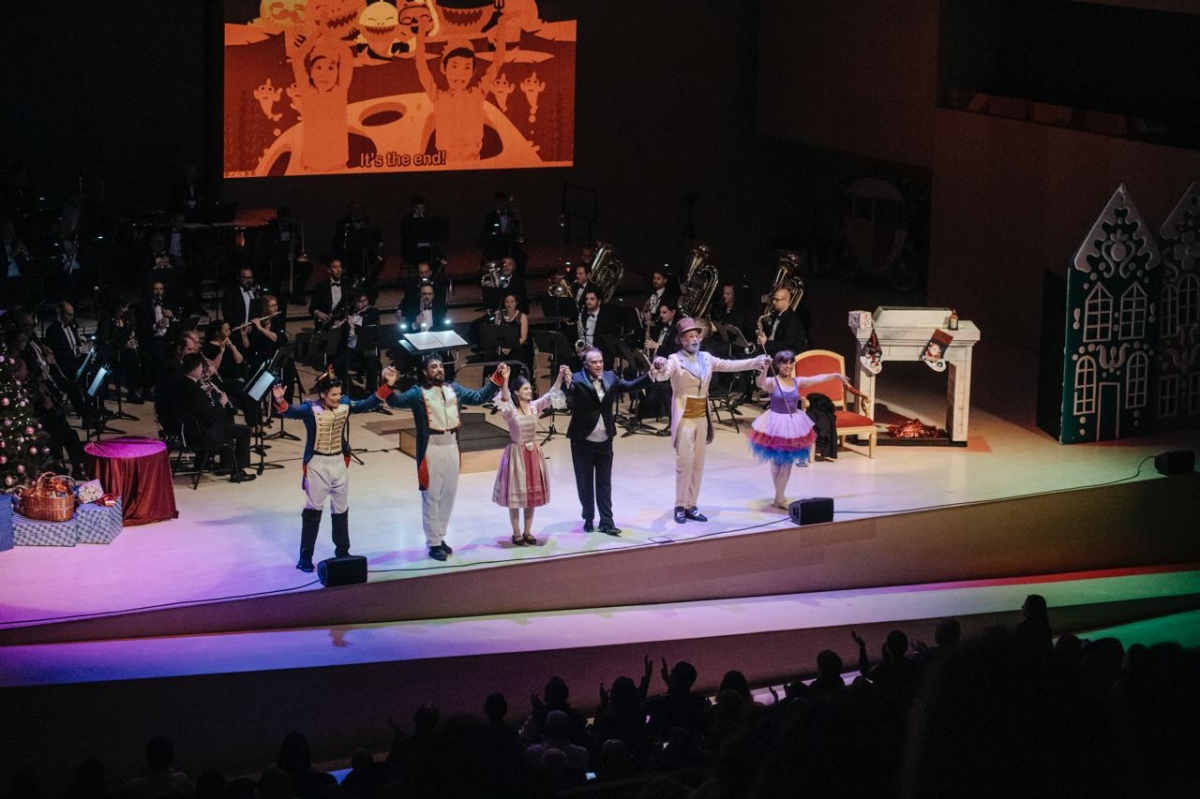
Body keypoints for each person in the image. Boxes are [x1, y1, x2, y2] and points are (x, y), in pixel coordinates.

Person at [271, 366, 397, 571]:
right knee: (313, 511)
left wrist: (387, 385)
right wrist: (279, 400)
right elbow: (290, 412)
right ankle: (305, 557)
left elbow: (368, 404)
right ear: (323, 394)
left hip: (338, 463)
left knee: (341, 509)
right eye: (333, 395)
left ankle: (343, 551)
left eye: (339, 394)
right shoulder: (310, 409)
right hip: (317, 465)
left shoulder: (345, 405)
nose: (338, 398)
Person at [385, 354, 505, 560]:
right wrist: (388, 383)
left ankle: (440, 537)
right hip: (432, 448)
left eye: (440, 366)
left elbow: (478, 398)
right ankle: (433, 542)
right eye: (433, 367)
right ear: (425, 372)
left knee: (448, 495)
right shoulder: (417, 392)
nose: (439, 369)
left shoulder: (454, 388)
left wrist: (497, 378)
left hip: (452, 446)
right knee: (431, 496)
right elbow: (396, 401)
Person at [651, 318, 768, 524]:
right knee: (684, 463)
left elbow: (730, 365)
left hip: (701, 416)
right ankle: (680, 505)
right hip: (685, 417)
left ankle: (691, 505)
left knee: (698, 464)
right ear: (682, 340)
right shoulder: (675, 360)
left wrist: (755, 362)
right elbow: (662, 375)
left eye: (696, 335)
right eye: (689, 336)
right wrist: (658, 366)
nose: (694, 339)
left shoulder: (706, 358)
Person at [565, 347, 653, 534]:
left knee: (604, 482)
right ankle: (588, 518)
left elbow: (630, 385)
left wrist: (651, 375)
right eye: (594, 362)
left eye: (600, 361)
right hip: (583, 439)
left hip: (605, 438)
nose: (598, 365)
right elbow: (565, 393)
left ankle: (607, 521)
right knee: (585, 482)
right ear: (585, 365)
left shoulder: (611, 377)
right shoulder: (576, 379)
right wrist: (562, 381)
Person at [748, 350, 851, 509]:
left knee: (787, 463)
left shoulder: (797, 381)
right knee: (776, 462)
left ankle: (779, 497)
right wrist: (765, 368)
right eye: (784, 363)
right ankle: (779, 497)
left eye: (790, 363)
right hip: (775, 423)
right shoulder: (772, 382)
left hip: (793, 424)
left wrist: (836, 375)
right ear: (778, 364)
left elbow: (817, 378)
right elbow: (760, 384)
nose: (788, 366)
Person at [492, 365, 570, 546]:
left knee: (530, 495)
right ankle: (516, 532)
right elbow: (504, 398)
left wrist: (559, 375)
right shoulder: (510, 409)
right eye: (525, 389)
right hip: (516, 454)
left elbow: (551, 394)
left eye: (529, 388)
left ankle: (527, 531)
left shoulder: (534, 407)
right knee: (516, 496)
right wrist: (505, 379)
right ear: (517, 392)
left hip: (533, 453)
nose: (529, 391)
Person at [414, 17, 508, 164]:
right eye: (454, 66)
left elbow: (498, 61)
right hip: (446, 168)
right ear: (443, 68)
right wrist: (421, 29)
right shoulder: (438, 96)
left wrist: (501, 25)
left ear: (473, 71)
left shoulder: (478, 93)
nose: (460, 74)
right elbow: (421, 65)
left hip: (474, 166)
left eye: (466, 67)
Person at [174, 352, 256, 483]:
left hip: (189, 431)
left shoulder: (182, 384)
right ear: (194, 369)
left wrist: (207, 395)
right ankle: (238, 471)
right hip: (204, 435)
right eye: (201, 368)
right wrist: (221, 403)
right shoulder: (195, 391)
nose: (202, 371)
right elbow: (211, 417)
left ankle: (227, 463)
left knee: (228, 420)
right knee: (245, 431)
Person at [756, 286, 807, 355]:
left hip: (784, 357)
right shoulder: (775, 314)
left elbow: (786, 346)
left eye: (777, 300)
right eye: (773, 299)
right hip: (772, 352)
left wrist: (766, 343)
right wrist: (762, 335)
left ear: (785, 301)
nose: (773, 302)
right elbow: (774, 335)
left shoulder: (792, 320)